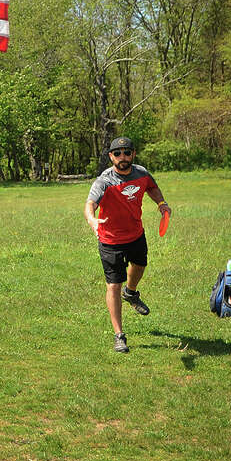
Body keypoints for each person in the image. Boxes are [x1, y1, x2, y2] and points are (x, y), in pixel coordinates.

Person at [84, 136, 171, 353]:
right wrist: (92, 220)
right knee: (113, 285)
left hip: (135, 234)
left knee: (140, 266)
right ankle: (119, 335)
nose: (122, 157)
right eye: (117, 153)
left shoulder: (141, 173)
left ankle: (131, 293)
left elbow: (152, 187)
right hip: (110, 239)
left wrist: (161, 203)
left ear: (133, 154)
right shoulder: (104, 181)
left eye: (127, 152)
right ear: (111, 156)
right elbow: (90, 204)